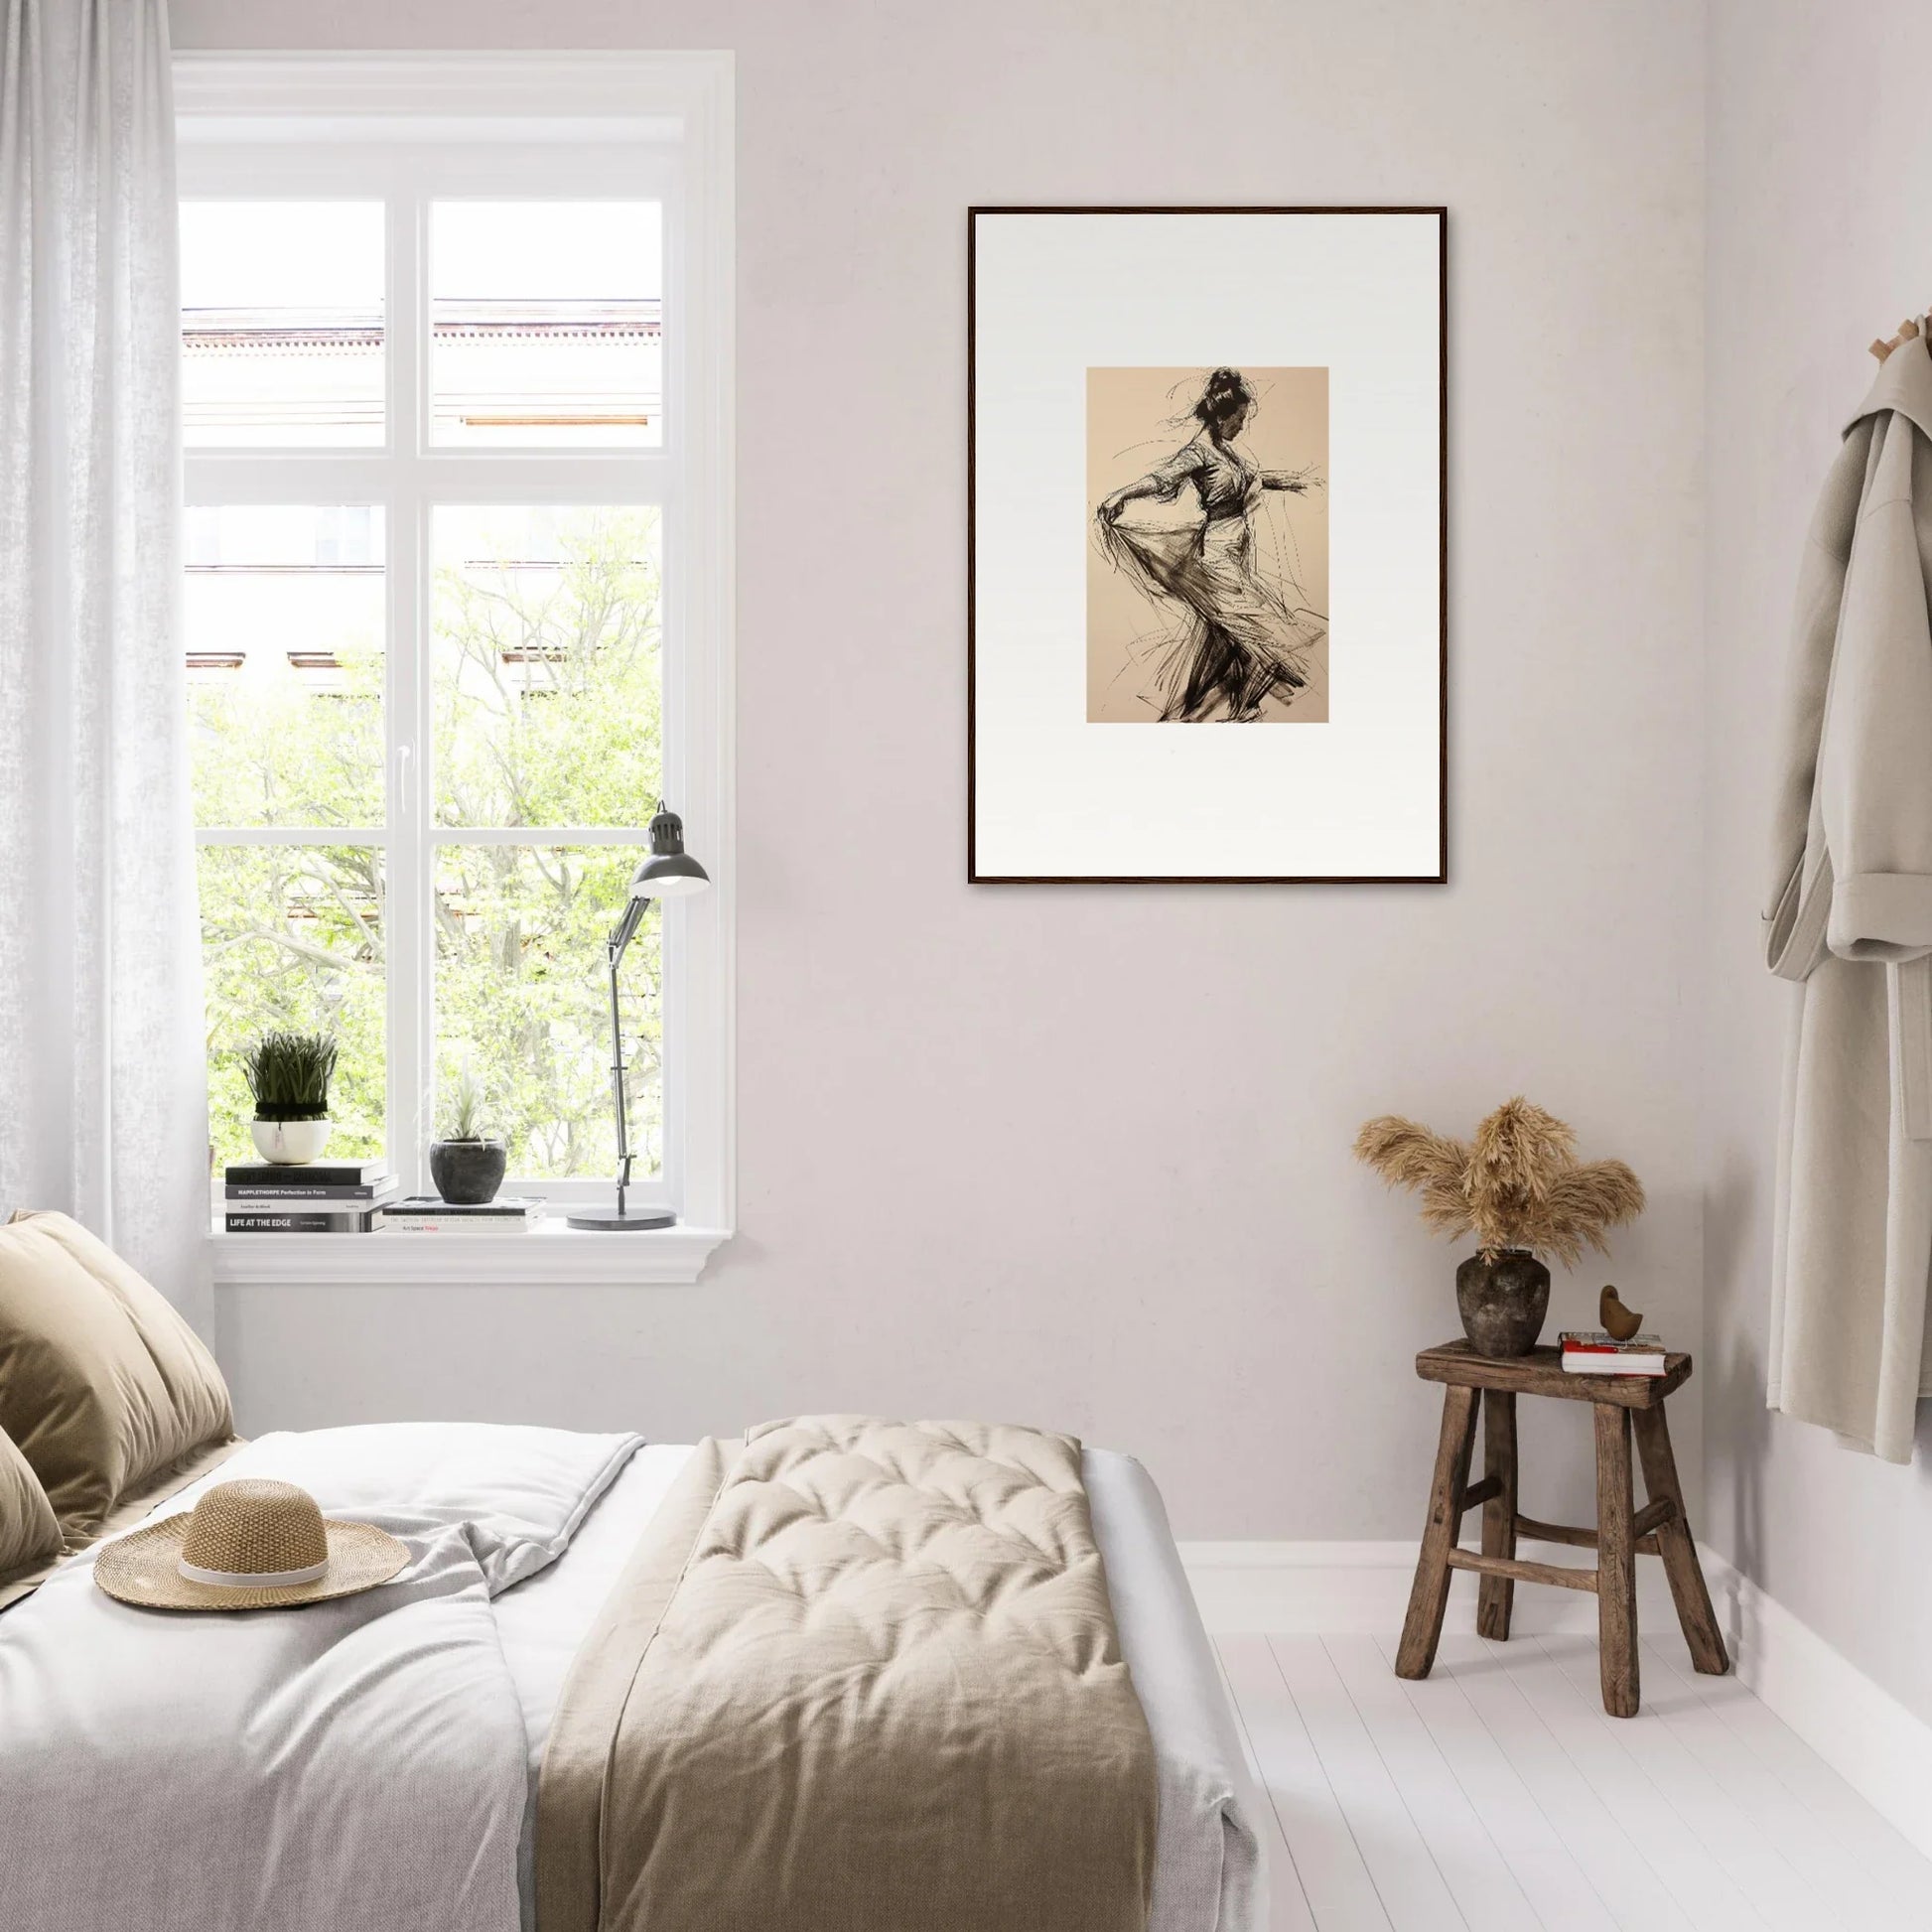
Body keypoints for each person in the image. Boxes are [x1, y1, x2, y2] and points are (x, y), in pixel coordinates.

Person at [1096, 367, 1324, 722]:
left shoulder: (1228, 453)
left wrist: (1298, 482)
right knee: (1255, 630)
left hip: (1235, 550)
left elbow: (1256, 479)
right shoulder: (1199, 452)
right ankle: (1236, 709)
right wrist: (1121, 494)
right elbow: (1161, 479)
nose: (1241, 426)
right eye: (1239, 418)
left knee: (1223, 641)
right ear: (1220, 416)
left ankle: (1200, 715)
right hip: (1217, 556)